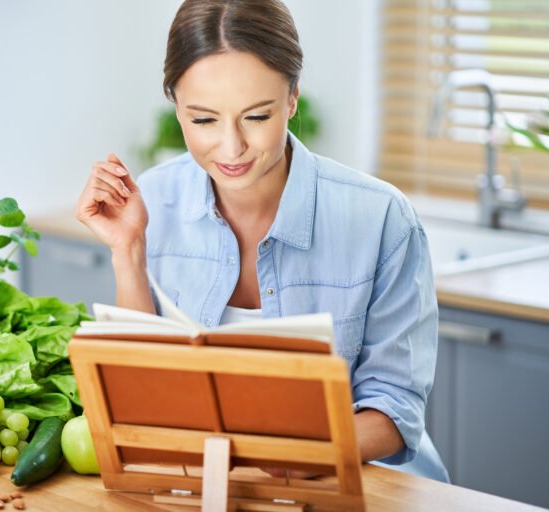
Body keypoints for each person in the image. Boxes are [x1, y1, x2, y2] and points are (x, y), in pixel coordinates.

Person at [75, 0, 449, 483]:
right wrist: (127, 251)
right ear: (176, 105)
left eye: (256, 117)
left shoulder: (380, 217)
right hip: (214, 484)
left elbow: (396, 409)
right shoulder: (154, 200)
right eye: (203, 120)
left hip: (362, 483)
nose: (231, 149)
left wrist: (304, 452)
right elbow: (143, 391)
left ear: (292, 98)